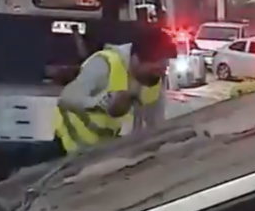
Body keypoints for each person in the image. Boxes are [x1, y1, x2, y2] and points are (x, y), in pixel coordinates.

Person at [53, 25, 177, 155]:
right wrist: (99, 102)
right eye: (154, 69)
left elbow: (154, 125)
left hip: (103, 155)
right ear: (136, 59)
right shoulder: (105, 63)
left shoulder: (155, 79)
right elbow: (67, 97)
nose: (158, 75)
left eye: (162, 69)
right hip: (68, 150)